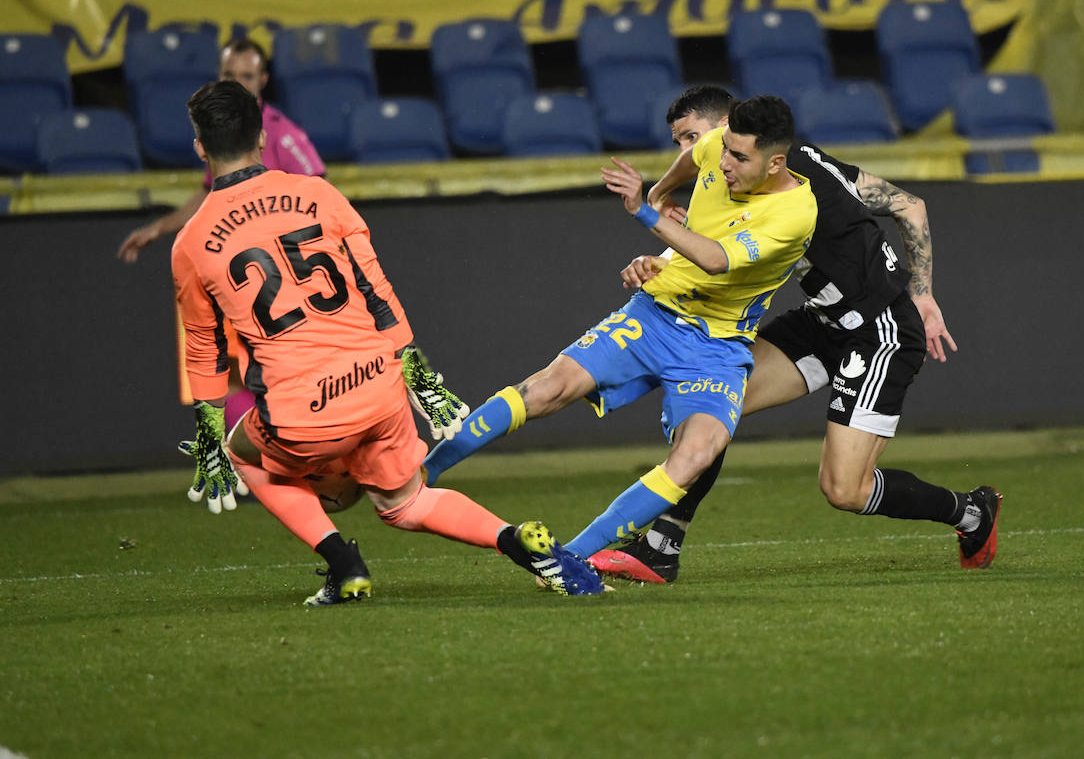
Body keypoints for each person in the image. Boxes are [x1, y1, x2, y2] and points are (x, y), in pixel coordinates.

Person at [171, 80, 601, 602]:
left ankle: (342, 561)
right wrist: (413, 367)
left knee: (243, 452)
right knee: (406, 501)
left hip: (301, 409)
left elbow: (204, 347)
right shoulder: (319, 194)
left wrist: (209, 435)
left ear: (199, 147)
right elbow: (375, 287)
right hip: (379, 382)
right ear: (262, 137)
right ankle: (513, 540)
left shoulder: (192, 242)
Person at [587, 85, 1001, 584]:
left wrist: (922, 295)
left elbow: (909, 205)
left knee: (844, 490)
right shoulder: (744, 178)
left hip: (878, 332)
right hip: (819, 323)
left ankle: (971, 512)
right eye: (681, 144)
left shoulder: (796, 180)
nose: (691, 155)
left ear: (740, 137)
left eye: (694, 139)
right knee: (714, 406)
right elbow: (710, 255)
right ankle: (661, 546)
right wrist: (655, 251)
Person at [422, 95, 818, 570]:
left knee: (697, 454)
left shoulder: (796, 212)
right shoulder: (717, 144)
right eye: (726, 149)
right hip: (654, 315)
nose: (724, 161)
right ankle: (418, 475)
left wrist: (644, 212)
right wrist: (658, 193)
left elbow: (714, 259)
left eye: (739, 157)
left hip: (717, 346)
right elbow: (695, 156)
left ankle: (568, 560)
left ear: (776, 162)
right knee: (549, 387)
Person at [121, 38, 327, 433]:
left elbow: (320, 193)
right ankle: (251, 466)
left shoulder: (282, 135)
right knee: (230, 373)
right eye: (231, 75)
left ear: (263, 80)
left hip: (280, 280)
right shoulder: (225, 138)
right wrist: (161, 227)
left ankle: (292, 457)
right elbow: (205, 195)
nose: (239, 83)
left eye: (247, 76)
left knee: (278, 372)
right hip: (237, 277)